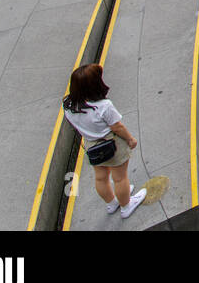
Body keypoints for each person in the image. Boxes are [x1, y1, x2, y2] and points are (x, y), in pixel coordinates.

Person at [62, 63, 148, 219]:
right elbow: (117, 127)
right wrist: (130, 139)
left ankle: (111, 203)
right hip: (111, 144)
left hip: (91, 145)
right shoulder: (103, 106)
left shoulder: (68, 105)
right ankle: (126, 205)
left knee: (100, 177)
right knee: (120, 178)